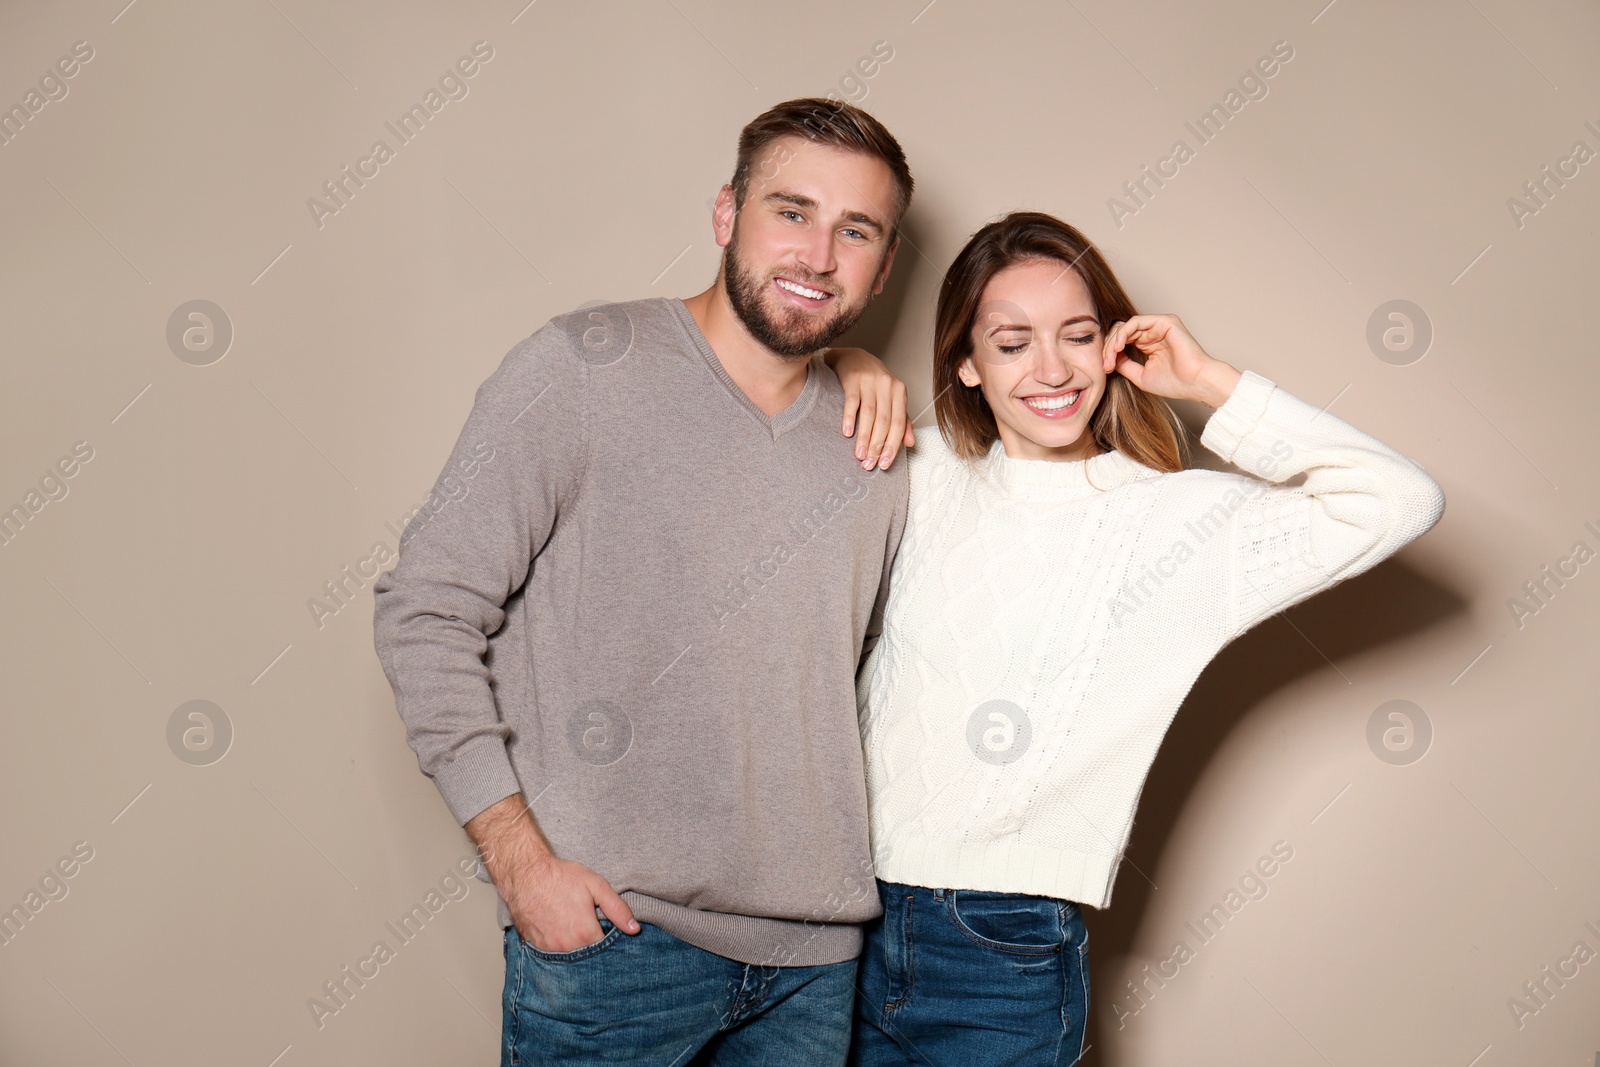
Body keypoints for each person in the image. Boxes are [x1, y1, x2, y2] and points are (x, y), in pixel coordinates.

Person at [371, 98, 918, 1067]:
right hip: (616, 947)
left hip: (817, 964)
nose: (818, 253)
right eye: (791, 211)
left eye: (855, 230)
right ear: (725, 213)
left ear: (882, 263)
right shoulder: (582, 368)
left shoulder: (873, 445)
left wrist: (858, 366)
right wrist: (516, 857)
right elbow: (426, 608)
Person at [832, 211, 1446, 1065]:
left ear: (1112, 345)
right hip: (833, 919)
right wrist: (848, 362)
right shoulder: (916, 470)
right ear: (965, 363)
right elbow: (770, 418)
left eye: (1077, 335)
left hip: (1000, 948)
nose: (1051, 368)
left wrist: (1210, 381)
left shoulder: (1176, 523)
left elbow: (1397, 499)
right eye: (1012, 343)